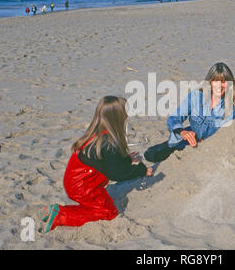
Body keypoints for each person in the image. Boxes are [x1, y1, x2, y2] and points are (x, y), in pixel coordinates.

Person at [40, 96, 153, 233]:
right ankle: (59, 215)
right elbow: (117, 173)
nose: (128, 116)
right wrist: (140, 170)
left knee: (98, 207)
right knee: (107, 214)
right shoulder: (107, 144)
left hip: (78, 181)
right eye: (125, 113)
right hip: (82, 186)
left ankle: (59, 211)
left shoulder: (99, 133)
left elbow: (109, 161)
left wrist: (128, 160)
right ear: (118, 118)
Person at [144, 62, 235, 163]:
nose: (219, 86)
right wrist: (183, 132)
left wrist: (207, 143)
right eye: (215, 81)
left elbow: (230, 139)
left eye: (223, 82)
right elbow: (174, 118)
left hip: (211, 148)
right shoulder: (196, 97)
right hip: (189, 138)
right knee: (150, 155)